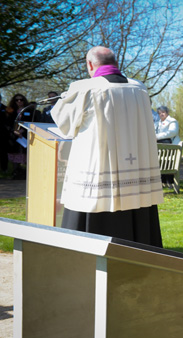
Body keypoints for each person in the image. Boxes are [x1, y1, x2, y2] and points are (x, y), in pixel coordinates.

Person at [51, 46, 164, 246]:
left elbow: (64, 124)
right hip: (134, 172)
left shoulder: (84, 87)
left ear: (90, 64)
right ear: (116, 63)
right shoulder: (139, 88)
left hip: (99, 169)